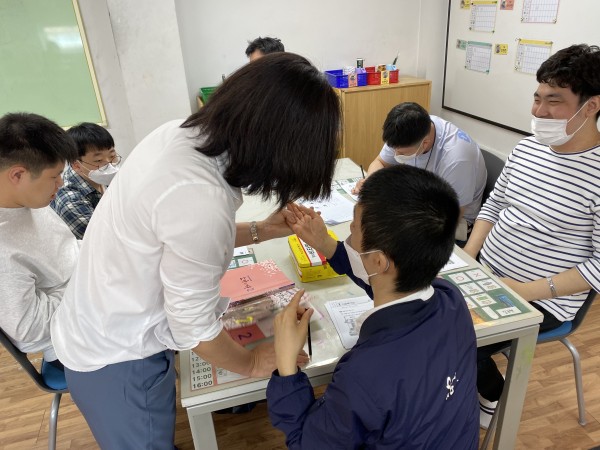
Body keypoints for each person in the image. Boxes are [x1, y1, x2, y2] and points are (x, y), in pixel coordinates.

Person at [50, 52, 340, 449]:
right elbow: (192, 324)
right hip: (118, 354)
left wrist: (263, 228)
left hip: (103, 321)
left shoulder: (179, 134)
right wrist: (252, 362)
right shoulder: (200, 195)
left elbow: (179, 236)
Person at [267, 165, 479, 449]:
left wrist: (286, 367)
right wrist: (327, 244)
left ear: (379, 261)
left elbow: (306, 443)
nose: (350, 233)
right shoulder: (450, 297)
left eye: (353, 230)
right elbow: (384, 283)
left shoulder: (364, 375)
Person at [463, 44, 600, 429]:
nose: (538, 112)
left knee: (447, 335)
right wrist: (469, 257)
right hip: (486, 273)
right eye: (536, 98)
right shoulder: (528, 148)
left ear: (590, 106)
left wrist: (524, 291)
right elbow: (494, 206)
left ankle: (493, 395)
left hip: (542, 298)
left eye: (553, 101)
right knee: (416, 306)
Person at [0, 112, 78, 370]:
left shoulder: (29, 200)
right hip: (73, 342)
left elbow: (64, 253)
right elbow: (29, 331)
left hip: (91, 299)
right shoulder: (4, 249)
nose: (61, 183)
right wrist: (94, 284)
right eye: (54, 176)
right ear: (17, 175)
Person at [354, 102, 487, 243]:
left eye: (401, 153)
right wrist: (370, 184)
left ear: (425, 143)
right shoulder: (407, 129)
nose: (395, 154)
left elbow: (450, 217)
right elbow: (380, 162)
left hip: (451, 225)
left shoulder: (457, 158)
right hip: (417, 204)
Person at [50, 122, 120, 239]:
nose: (109, 164)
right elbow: (105, 239)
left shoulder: (109, 178)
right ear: (77, 165)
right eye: (98, 160)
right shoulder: (69, 199)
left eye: (112, 156)